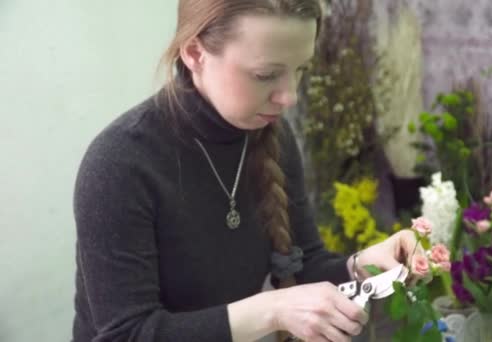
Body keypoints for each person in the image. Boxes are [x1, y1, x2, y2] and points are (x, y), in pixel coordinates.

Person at [71, 1, 422, 341]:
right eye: (266, 75)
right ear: (194, 53)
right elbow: (128, 334)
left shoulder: (275, 138)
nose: (290, 97)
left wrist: (364, 265)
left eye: (301, 69)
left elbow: (305, 265)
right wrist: (272, 310)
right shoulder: (120, 163)